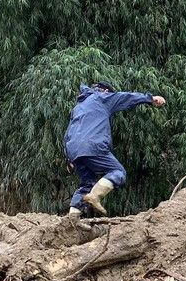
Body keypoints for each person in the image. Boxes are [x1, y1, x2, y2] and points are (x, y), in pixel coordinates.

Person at [63, 81, 166, 216]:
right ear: (106, 92)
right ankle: (95, 196)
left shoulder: (79, 107)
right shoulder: (102, 98)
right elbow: (125, 97)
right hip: (93, 145)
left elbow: (68, 133)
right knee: (117, 172)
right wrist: (149, 98)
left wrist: (69, 156)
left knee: (86, 184)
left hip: (74, 149)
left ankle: (71, 220)